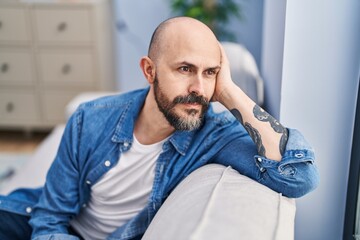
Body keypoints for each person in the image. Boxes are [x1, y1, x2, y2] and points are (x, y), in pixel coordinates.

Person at [0, 17, 319, 240]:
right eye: (185, 69)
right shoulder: (90, 118)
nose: (198, 87)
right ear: (149, 70)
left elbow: (299, 177)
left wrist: (229, 91)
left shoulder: (213, 134)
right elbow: (49, 218)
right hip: (29, 219)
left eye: (210, 73)